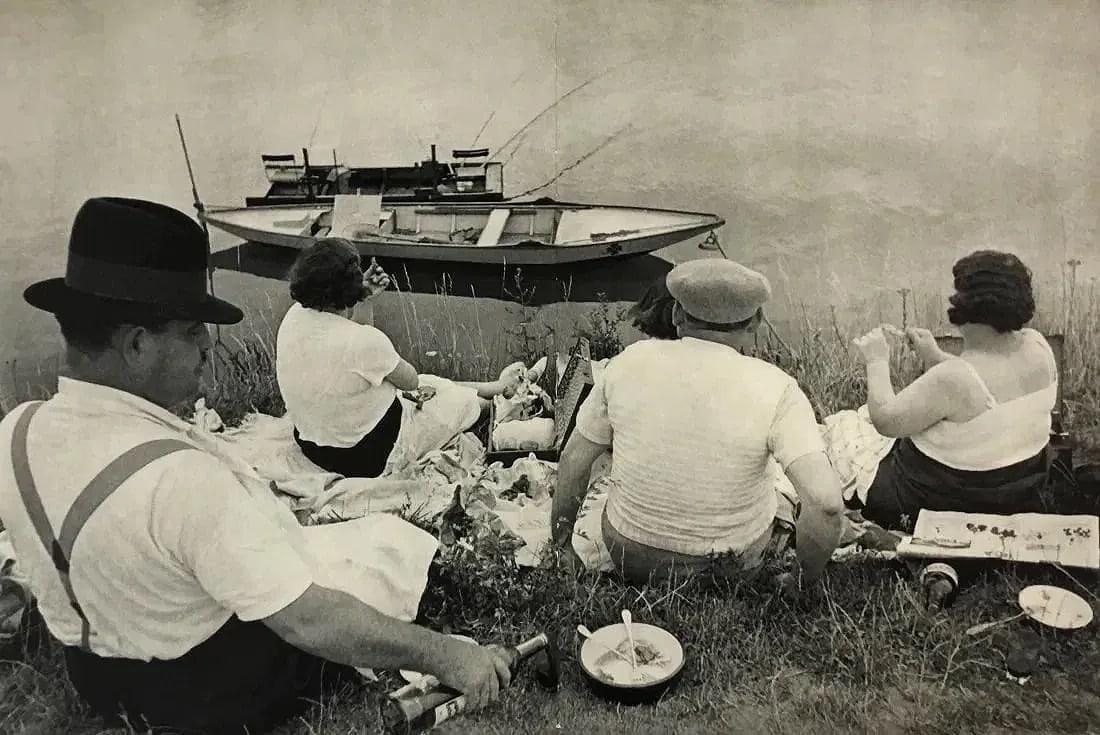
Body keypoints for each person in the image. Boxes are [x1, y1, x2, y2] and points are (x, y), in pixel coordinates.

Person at [0, 198, 513, 734]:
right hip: (206, 691)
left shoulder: (17, 430)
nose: (206, 346)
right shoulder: (182, 478)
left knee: (342, 546)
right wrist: (451, 657)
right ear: (136, 344)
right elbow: (307, 619)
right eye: (193, 330)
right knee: (378, 552)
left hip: (94, 674)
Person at [550, 258, 845, 588]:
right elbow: (827, 505)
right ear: (756, 321)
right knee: (782, 488)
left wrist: (562, 547)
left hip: (630, 557)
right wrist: (800, 583)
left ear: (676, 315)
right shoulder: (778, 388)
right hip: (731, 568)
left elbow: (573, 459)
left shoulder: (628, 362)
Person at [275, 238, 523, 479]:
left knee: (430, 385)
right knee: (441, 397)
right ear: (350, 287)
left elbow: (358, 350)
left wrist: (364, 298)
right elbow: (411, 382)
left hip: (314, 447)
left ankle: (497, 387)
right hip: (364, 456)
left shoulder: (294, 318)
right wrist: (360, 296)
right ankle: (495, 402)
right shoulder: (365, 342)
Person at [848, 250, 1058, 532]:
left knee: (848, 430)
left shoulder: (952, 379)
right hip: (1018, 486)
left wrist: (875, 360)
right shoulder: (1038, 347)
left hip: (944, 496)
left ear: (965, 308)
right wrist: (933, 355)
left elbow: (885, 420)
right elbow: (984, 391)